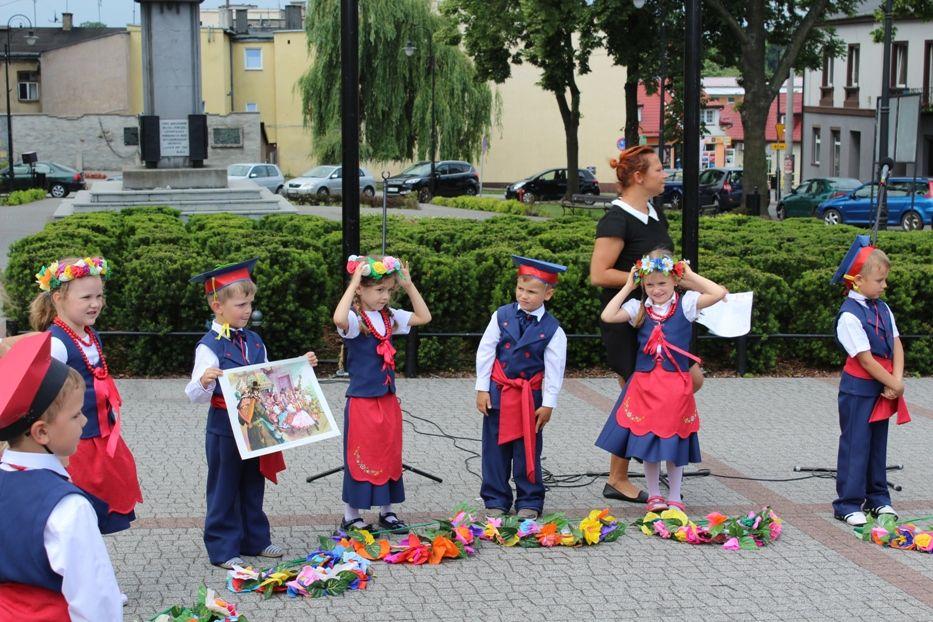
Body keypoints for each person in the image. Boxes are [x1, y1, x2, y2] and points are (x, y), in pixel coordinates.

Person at [186, 258, 318, 568]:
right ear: (217, 306)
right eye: (241, 304)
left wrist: (301, 365)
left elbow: (268, 376)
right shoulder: (208, 347)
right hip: (223, 427)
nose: (248, 310)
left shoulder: (254, 340)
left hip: (255, 423)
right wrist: (205, 381)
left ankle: (254, 540)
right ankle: (222, 548)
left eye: (250, 303)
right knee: (224, 486)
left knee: (251, 483)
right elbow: (192, 393)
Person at [589, 146, 704, 505]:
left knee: (687, 380)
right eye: (658, 168)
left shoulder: (654, 213)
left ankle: (646, 445)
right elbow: (598, 274)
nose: (664, 173)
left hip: (661, 319)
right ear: (638, 177)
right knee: (637, 393)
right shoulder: (616, 219)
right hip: (630, 321)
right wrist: (650, 279)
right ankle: (618, 476)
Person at [0, 332, 122, 621]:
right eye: (76, 415)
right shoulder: (68, 507)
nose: (85, 421)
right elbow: (97, 603)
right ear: (42, 432)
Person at [595, 250, 726, 513]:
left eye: (662, 283)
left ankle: (675, 495)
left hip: (676, 386)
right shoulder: (638, 308)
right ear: (643, 284)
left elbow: (719, 293)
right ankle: (655, 495)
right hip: (646, 386)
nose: (656, 290)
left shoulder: (686, 304)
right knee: (649, 441)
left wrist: (690, 276)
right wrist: (628, 286)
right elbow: (608, 316)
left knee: (675, 440)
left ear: (675, 281)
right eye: (650, 284)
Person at [30, 256, 142, 534]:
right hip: (75, 444)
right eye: (86, 297)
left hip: (99, 437)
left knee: (96, 511)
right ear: (58, 298)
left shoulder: (89, 334)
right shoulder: (57, 343)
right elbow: (40, 395)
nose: (96, 303)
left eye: (100, 296)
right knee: (76, 510)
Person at [333, 254, 431, 533]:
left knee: (389, 454)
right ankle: (351, 515)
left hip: (387, 399)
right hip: (362, 401)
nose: (385, 296)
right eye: (379, 290)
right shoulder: (354, 320)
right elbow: (338, 317)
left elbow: (424, 316)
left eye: (388, 290)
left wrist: (409, 286)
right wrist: (353, 283)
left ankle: (387, 512)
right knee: (360, 456)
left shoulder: (390, 318)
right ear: (362, 289)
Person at [475, 256, 567, 519]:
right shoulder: (501, 315)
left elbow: (554, 370)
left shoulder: (553, 330)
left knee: (527, 449)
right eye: (520, 289)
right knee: (494, 449)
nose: (524, 296)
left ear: (548, 294)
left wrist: (548, 404)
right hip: (499, 393)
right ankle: (495, 498)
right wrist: (482, 388)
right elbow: (485, 352)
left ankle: (530, 499)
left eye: (532, 291)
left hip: (530, 398)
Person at [830, 235, 908, 527]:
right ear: (858, 281)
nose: (884, 286)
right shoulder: (849, 316)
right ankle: (847, 502)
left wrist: (896, 381)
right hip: (859, 389)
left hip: (883, 388)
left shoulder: (883, 308)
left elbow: (896, 343)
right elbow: (865, 359)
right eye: (880, 280)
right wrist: (893, 382)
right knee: (856, 443)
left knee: (878, 444)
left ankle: (879, 498)